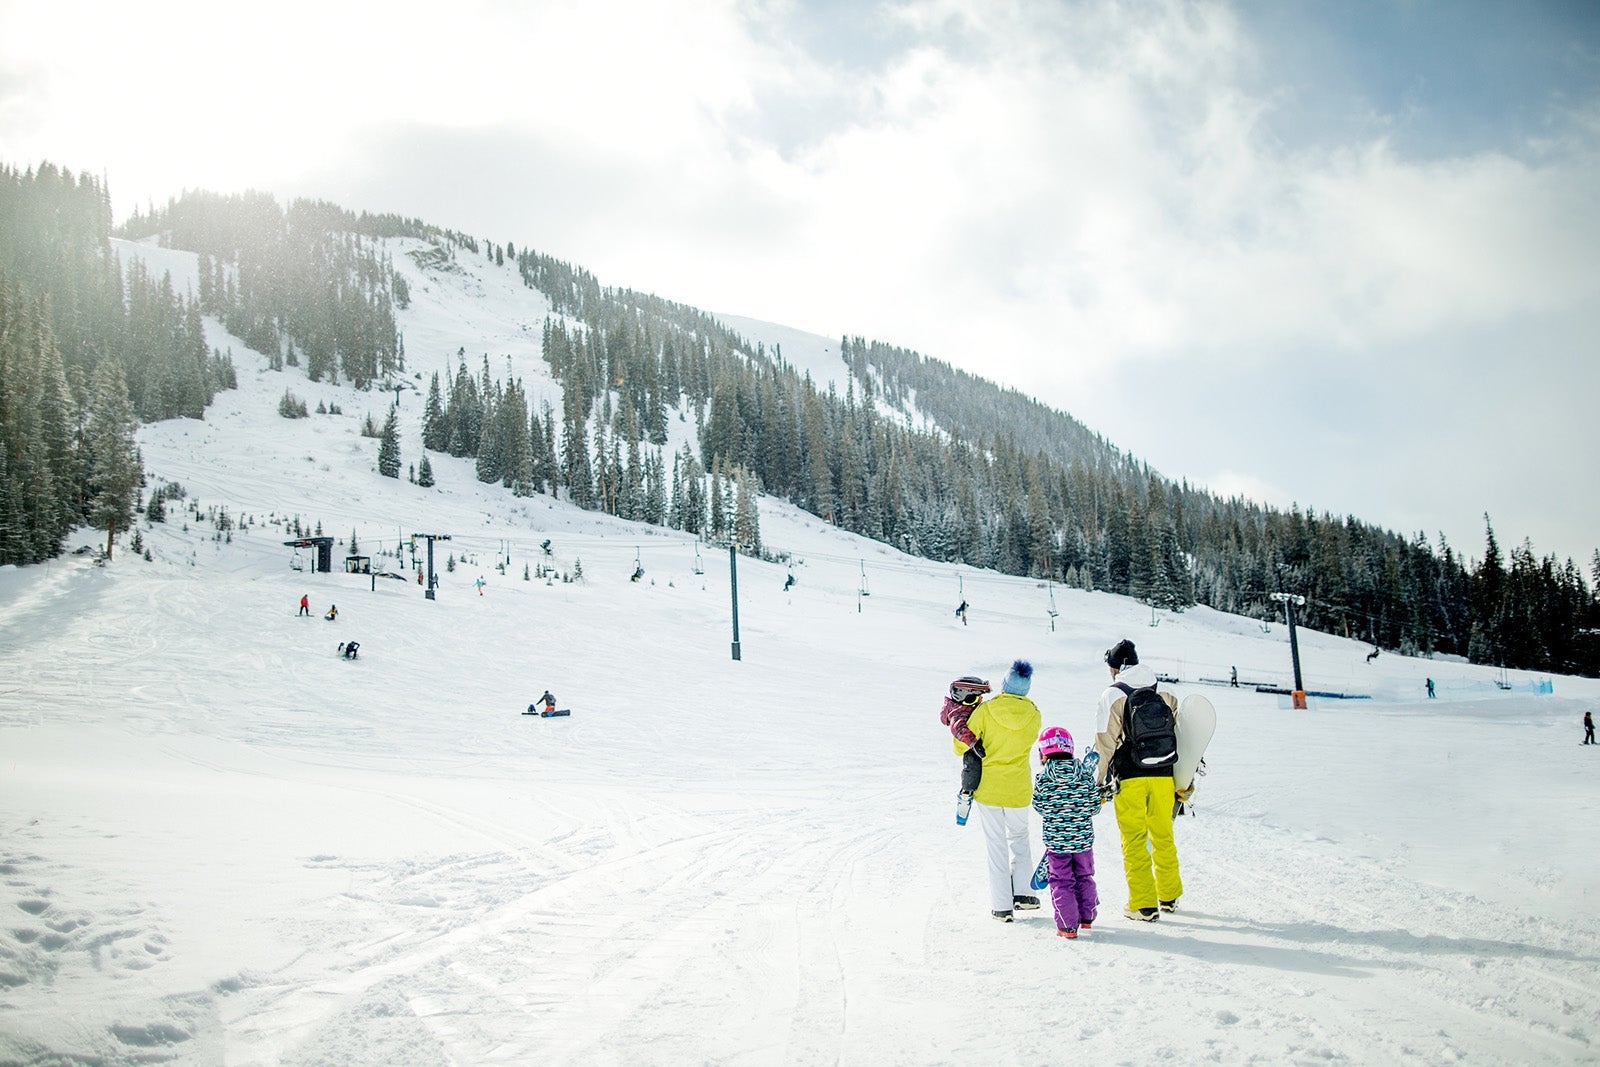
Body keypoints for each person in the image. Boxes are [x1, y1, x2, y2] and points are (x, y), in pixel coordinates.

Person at [1092, 638, 1182, 922]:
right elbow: (1181, 734)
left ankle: (1143, 904)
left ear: (1117, 667)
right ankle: (1168, 896)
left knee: (1134, 839)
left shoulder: (1113, 694)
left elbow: (1104, 743)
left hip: (1130, 775)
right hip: (1164, 773)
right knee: (1163, 834)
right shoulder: (1164, 691)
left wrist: (1098, 781)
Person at [966, 660, 1042, 922]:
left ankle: (1002, 906)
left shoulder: (986, 711)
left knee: (996, 844)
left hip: (989, 788)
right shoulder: (1034, 714)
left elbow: (959, 745)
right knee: (1019, 838)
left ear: (1004, 684)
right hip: (1019, 788)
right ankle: (1024, 893)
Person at [1032, 727, 1100, 939]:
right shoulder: (1085, 776)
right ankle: (1087, 918)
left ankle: (1067, 926)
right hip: (1083, 841)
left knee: (1061, 881)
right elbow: (1094, 807)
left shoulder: (1043, 779)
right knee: (1084, 877)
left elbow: (1039, 806)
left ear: (1043, 753)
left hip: (1057, 844)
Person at [940, 676, 991, 822]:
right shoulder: (958, 712)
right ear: (964, 698)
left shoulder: (967, 707)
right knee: (972, 769)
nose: (980, 701)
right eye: (975, 699)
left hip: (978, 742)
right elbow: (959, 729)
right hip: (970, 747)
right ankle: (965, 795)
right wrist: (973, 744)